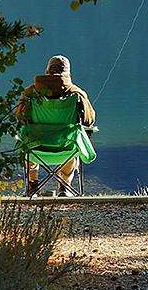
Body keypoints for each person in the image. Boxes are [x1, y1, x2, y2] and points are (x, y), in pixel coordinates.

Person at [15, 55, 96, 194]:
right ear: (68, 73)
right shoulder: (77, 94)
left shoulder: (31, 93)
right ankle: (64, 187)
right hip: (66, 149)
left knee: (28, 136)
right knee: (73, 139)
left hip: (36, 149)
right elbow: (89, 120)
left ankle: (33, 185)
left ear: (47, 71)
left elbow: (19, 116)